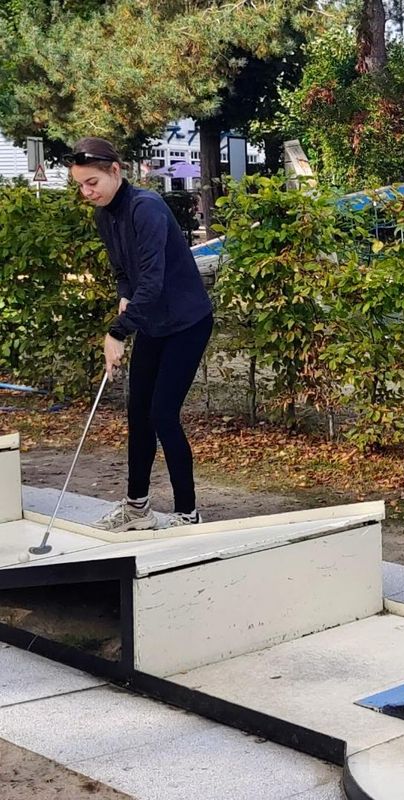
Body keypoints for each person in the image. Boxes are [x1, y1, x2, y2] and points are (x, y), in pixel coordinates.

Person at [64, 137, 213, 531]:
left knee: (163, 413)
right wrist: (124, 297)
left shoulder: (146, 208)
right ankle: (137, 509)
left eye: (92, 182)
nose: (87, 192)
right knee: (139, 414)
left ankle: (188, 514)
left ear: (115, 171)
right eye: (81, 185)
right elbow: (124, 273)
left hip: (187, 322)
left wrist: (117, 332)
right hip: (152, 321)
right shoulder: (104, 216)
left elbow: (152, 280)